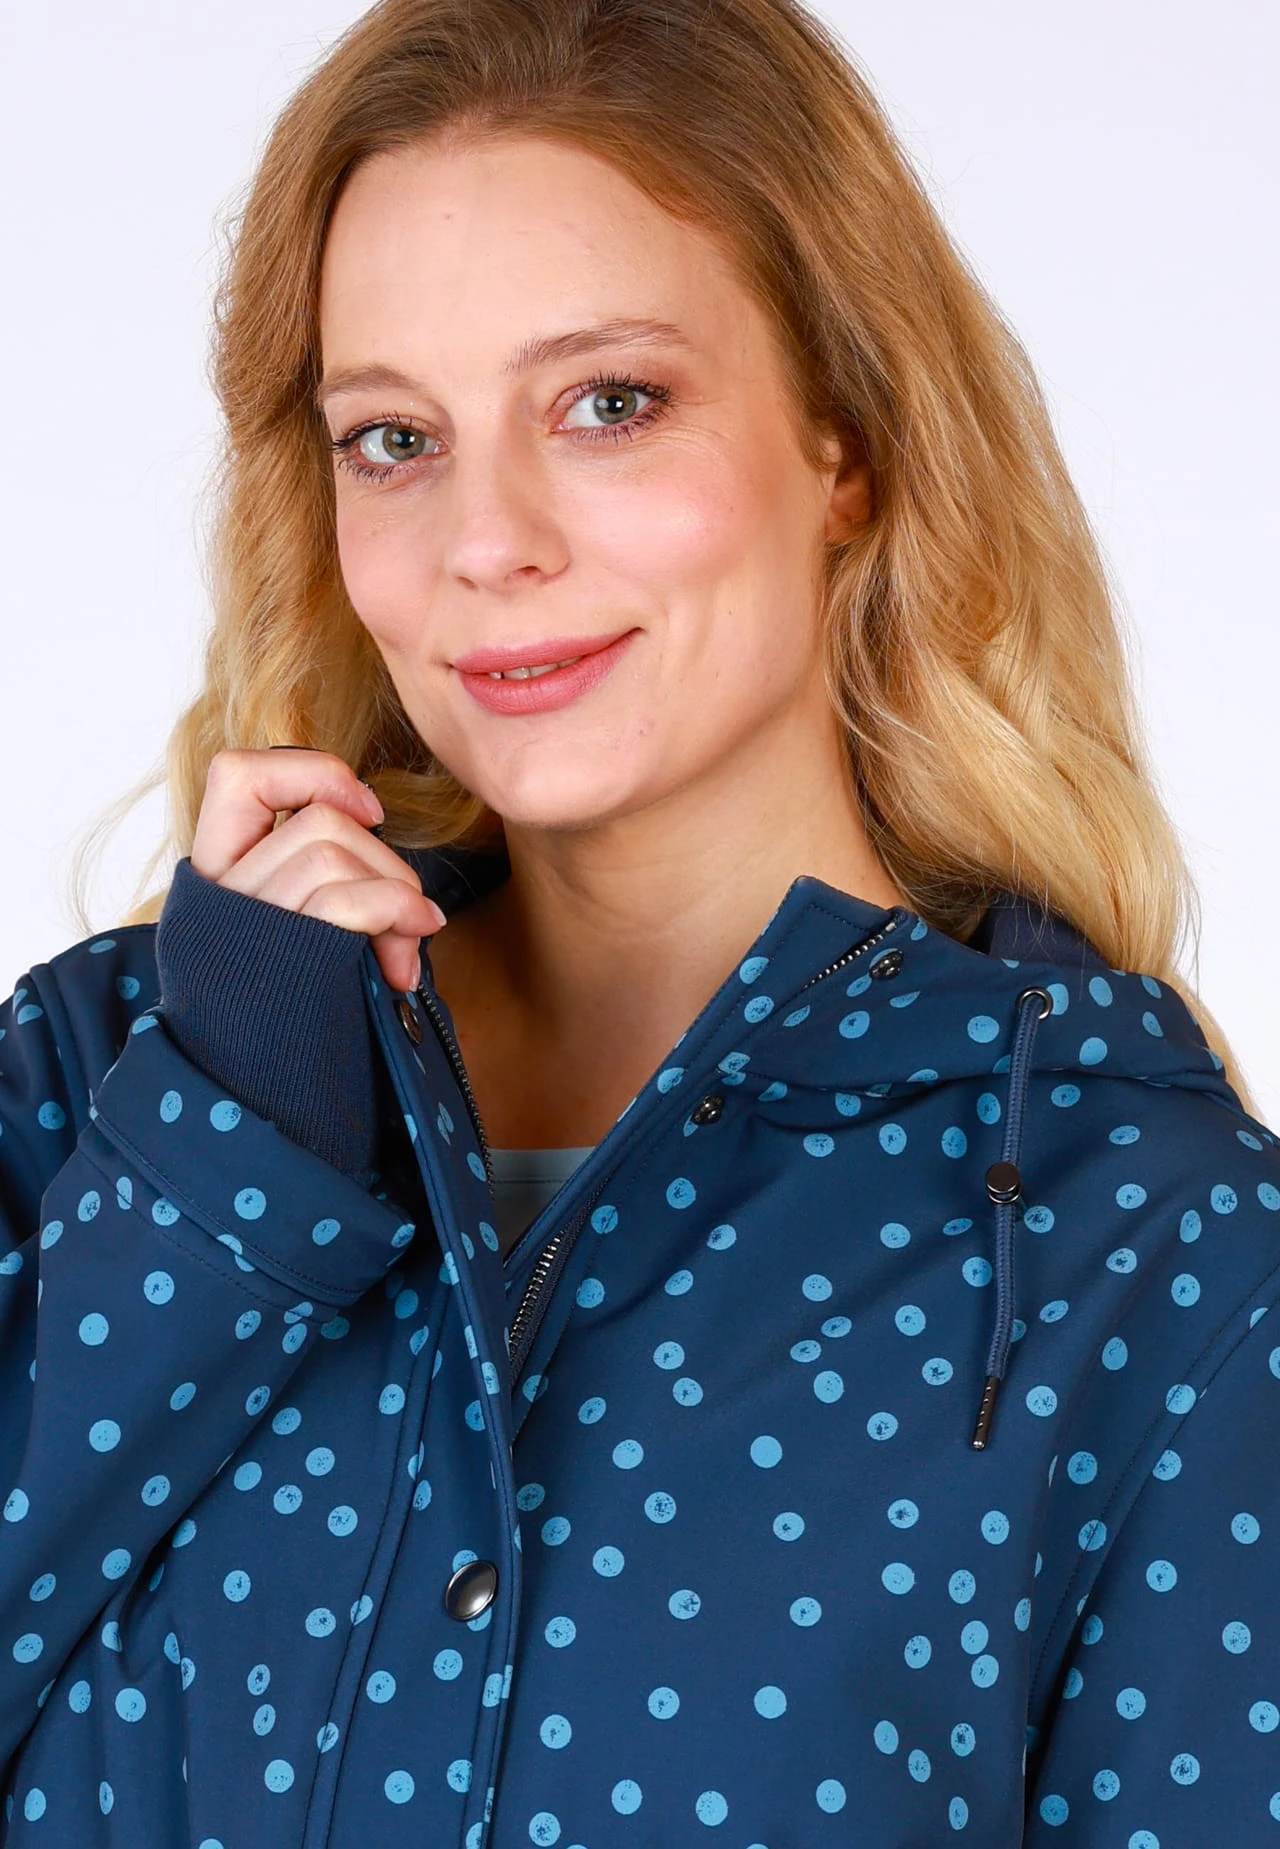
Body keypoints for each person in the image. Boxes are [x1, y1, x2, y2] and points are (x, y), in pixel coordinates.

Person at [2, 0, 1276, 1841]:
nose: (486, 539)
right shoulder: (97, 1096)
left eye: (609, 404)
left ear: (849, 442)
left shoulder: (1153, 1255)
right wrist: (223, 1173)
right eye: (393, 437)